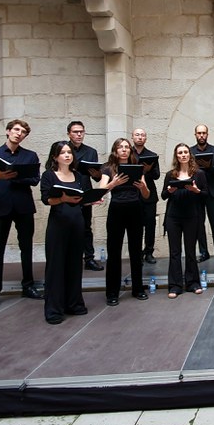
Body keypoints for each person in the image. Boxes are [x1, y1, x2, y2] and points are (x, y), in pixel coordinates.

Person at [0, 118, 43, 311]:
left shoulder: (30, 156)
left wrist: (15, 177)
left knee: (26, 247)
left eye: (23, 132)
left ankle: (28, 285)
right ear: (8, 131)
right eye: (16, 130)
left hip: (23, 206)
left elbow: (35, 179)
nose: (19, 134)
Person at [39, 141, 88, 324]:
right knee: (56, 266)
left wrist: (90, 200)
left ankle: (73, 304)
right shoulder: (49, 176)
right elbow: (46, 199)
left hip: (77, 222)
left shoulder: (79, 176)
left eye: (69, 152)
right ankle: (54, 310)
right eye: (63, 153)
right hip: (58, 224)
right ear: (55, 156)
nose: (67, 155)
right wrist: (63, 198)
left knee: (75, 264)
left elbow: (82, 198)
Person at [99, 138, 151, 306]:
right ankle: (112, 292)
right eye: (120, 147)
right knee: (114, 252)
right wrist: (113, 183)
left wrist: (142, 187)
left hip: (135, 210)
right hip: (116, 210)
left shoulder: (137, 168)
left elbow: (147, 195)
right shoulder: (108, 168)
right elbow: (99, 191)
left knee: (136, 251)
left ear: (130, 150)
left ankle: (138, 289)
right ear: (115, 150)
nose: (124, 150)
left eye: (126, 147)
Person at [161, 143, 206, 298]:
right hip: (173, 217)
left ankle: (193, 283)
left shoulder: (199, 174)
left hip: (191, 216)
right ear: (176, 156)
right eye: (180, 152)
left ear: (190, 155)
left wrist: (196, 190)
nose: (183, 155)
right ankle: (175, 286)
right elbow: (163, 196)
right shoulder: (170, 175)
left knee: (190, 251)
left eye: (185, 152)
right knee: (175, 252)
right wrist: (169, 191)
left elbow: (206, 195)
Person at [66, 121, 104, 271]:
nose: (79, 134)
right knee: (68, 226)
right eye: (75, 132)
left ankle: (89, 258)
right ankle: (69, 258)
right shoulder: (63, 149)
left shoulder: (90, 151)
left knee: (86, 227)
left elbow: (96, 177)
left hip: (85, 193)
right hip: (67, 191)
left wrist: (97, 174)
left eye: (81, 131)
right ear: (69, 133)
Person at [191, 124, 214, 263]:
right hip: (197, 192)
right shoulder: (190, 151)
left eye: (204, 133)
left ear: (207, 134)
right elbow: (189, 170)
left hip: (212, 191)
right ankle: (204, 252)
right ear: (195, 135)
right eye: (199, 133)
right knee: (199, 223)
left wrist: (208, 166)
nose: (201, 135)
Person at [132, 128, 160, 264]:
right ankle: (136, 253)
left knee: (150, 224)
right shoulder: (127, 154)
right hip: (132, 194)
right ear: (132, 137)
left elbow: (157, 175)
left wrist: (147, 171)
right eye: (137, 135)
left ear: (146, 138)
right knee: (135, 225)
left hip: (149, 195)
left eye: (142, 135)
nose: (140, 137)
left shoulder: (152, 155)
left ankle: (149, 252)